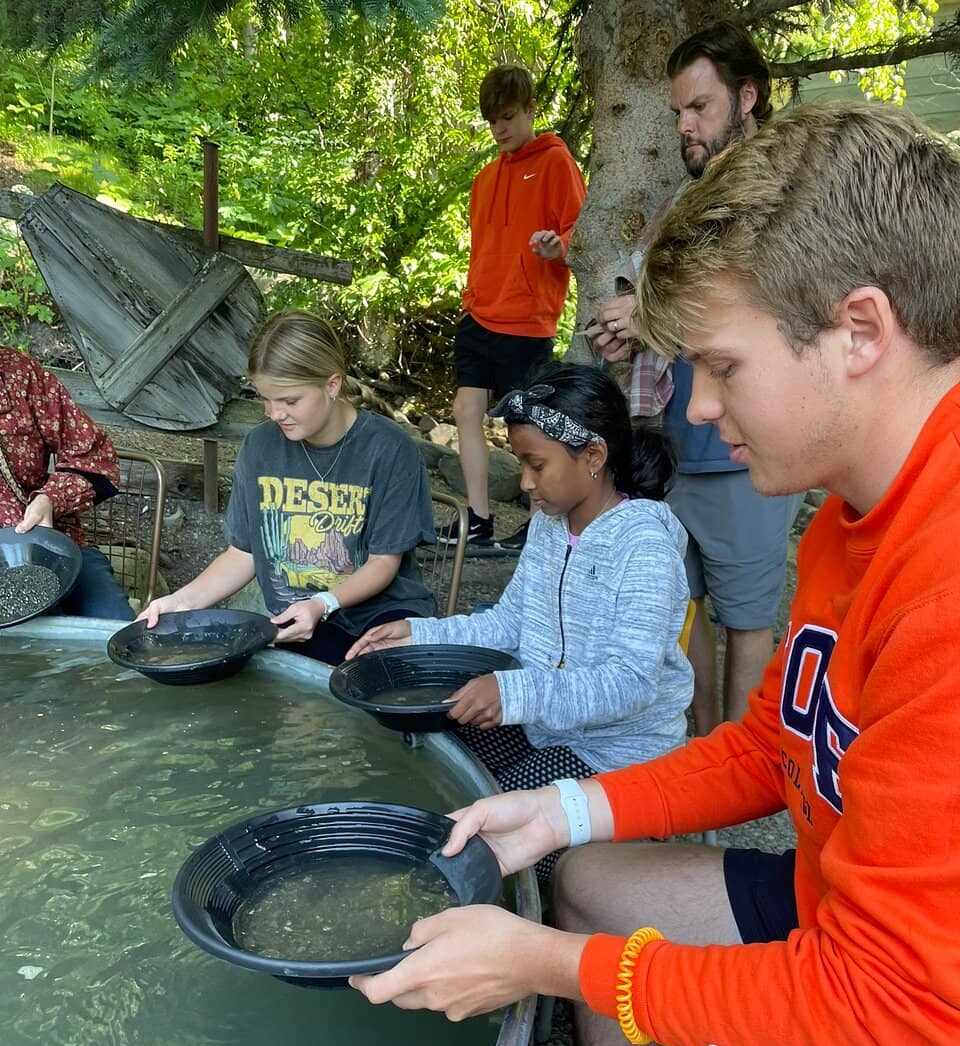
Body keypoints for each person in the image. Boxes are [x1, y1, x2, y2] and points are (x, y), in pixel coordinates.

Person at [349, 102, 960, 1046]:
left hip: (922, 1022)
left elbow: (887, 1005)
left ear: (859, 330)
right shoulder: (849, 516)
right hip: (869, 932)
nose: (700, 410)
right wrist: (567, 810)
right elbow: (771, 745)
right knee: (587, 872)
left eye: (722, 367)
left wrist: (544, 965)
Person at [349, 363, 691, 877]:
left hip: (616, 757)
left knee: (483, 835)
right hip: (544, 726)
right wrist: (420, 635)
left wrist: (513, 694)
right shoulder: (550, 527)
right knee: (428, 761)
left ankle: (527, 918)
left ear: (594, 456)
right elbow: (511, 622)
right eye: (519, 463)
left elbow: (631, 683)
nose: (526, 483)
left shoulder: (644, 546)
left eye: (536, 465)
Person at [591, 22, 799, 735]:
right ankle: (704, 746)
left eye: (700, 108)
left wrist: (646, 312)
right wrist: (624, 330)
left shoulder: (782, 188)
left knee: (746, 616)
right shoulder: (686, 201)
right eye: (678, 111)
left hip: (748, 442)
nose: (685, 125)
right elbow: (665, 320)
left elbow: (761, 304)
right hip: (672, 441)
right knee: (685, 603)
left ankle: (743, 768)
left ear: (748, 97)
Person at [141, 310, 436, 663]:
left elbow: (384, 563)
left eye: (289, 401)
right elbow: (244, 554)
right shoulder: (260, 446)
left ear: (332, 385)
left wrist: (323, 603)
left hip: (379, 619)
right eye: (265, 399)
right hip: (295, 621)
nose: (274, 413)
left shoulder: (389, 447)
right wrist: (179, 602)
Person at [437, 64, 586, 549]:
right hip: (480, 314)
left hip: (527, 320)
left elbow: (580, 237)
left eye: (506, 117)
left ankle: (540, 524)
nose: (499, 129)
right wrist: (471, 296)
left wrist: (555, 248)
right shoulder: (484, 180)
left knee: (529, 429)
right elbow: (482, 250)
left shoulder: (557, 163)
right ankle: (477, 522)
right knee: (465, 409)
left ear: (530, 110)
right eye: (491, 121)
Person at [0, 346, 133, 620]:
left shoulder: (19, 373)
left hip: (51, 544)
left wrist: (50, 498)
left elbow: (94, 457)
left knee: (114, 633)